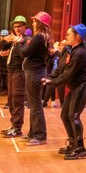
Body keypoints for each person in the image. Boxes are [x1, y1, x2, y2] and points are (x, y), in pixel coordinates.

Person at [43, 23, 86, 159]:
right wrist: (50, 77)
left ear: (78, 37)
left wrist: (51, 82)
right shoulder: (68, 49)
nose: (66, 36)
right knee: (65, 115)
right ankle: (72, 143)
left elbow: (68, 75)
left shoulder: (80, 53)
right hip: (75, 86)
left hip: (83, 85)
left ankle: (80, 148)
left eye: (69, 34)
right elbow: (60, 68)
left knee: (73, 115)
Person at [19, 11, 52, 145]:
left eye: (34, 21)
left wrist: (18, 43)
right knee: (33, 105)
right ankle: (33, 133)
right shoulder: (44, 37)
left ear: (40, 23)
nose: (32, 24)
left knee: (36, 105)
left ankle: (40, 135)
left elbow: (25, 53)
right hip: (36, 72)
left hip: (34, 73)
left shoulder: (39, 37)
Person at [2, 16, 29, 137]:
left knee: (17, 100)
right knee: (11, 100)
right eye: (15, 26)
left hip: (19, 72)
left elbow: (24, 55)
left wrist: (16, 42)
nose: (17, 28)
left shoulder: (26, 40)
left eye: (20, 26)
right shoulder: (16, 40)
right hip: (11, 72)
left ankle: (17, 128)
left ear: (25, 27)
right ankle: (13, 125)